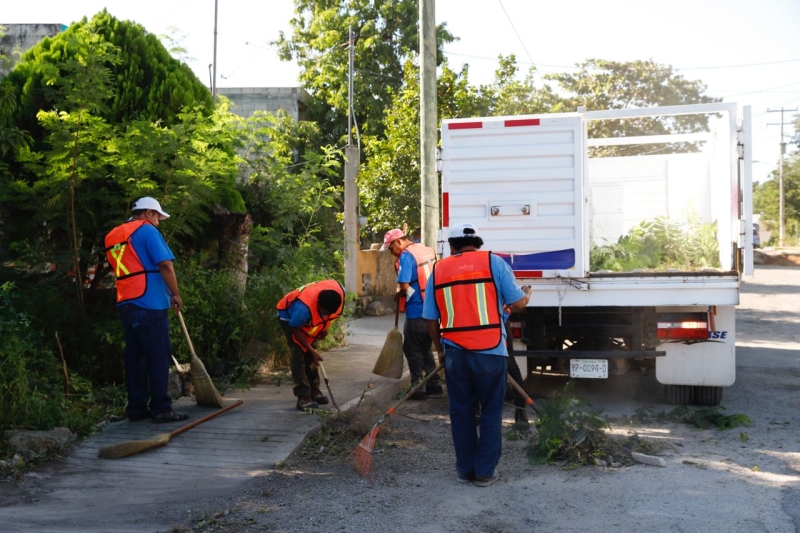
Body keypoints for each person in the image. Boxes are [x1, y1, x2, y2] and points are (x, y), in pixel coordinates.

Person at [423, 222, 531, 487]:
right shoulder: (494, 263)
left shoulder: (438, 270)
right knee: (492, 412)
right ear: (478, 243)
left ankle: (464, 470)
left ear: (452, 246)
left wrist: (439, 350)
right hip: (491, 351)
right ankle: (484, 472)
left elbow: (429, 318)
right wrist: (526, 295)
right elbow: (516, 303)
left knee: (461, 412)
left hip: (455, 353)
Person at [105, 197, 189, 424]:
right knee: (158, 355)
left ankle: (137, 408)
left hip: (126, 301)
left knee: (135, 358)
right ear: (149, 213)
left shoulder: (114, 234)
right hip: (150, 302)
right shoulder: (146, 231)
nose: (158, 223)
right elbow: (165, 264)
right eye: (158, 218)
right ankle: (161, 408)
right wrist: (175, 294)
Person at [380, 228, 441, 400]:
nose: (392, 253)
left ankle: (417, 387)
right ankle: (434, 384)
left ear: (397, 241)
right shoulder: (426, 250)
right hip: (432, 309)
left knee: (412, 349)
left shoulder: (406, 256)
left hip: (417, 310)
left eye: (391, 248)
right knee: (425, 347)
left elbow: (404, 286)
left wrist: (397, 295)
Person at [276, 279, 345, 411]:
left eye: (328, 314)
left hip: (307, 320)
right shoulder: (302, 309)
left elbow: (327, 317)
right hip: (289, 317)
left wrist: (324, 329)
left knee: (312, 356)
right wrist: (311, 350)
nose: (326, 315)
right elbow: (296, 329)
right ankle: (302, 396)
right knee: (298, 354)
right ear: (318, 304)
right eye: (324, 312)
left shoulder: (339, 293)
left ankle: (314, 391)